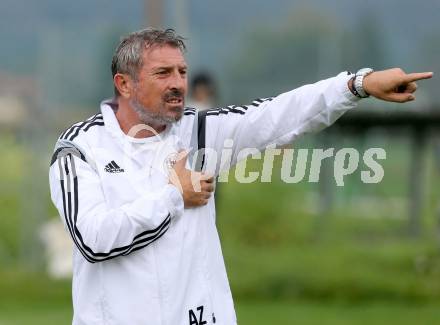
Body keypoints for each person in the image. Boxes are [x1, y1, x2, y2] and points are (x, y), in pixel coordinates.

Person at [48, 28, 433, 325]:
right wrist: (173, 196)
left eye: (182, 72)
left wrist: (356, 85)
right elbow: (95, 241)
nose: (178, 83)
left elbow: (278, 115)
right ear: (124, 85)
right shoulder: (80, 149)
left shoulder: (199, 132)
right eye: (163, 73)